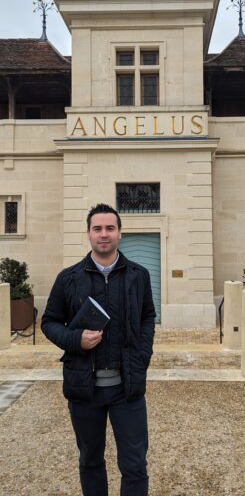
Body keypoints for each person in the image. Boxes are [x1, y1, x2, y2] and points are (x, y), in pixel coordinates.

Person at [41, 203, 156, 496]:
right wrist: (75, 340)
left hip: (127, 389)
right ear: (88, 234)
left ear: (120, 233)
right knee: (90, 461)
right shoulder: (69, 278)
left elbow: (147, 317)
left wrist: (142, 358)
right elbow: (49, 321)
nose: (104, 234)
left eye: (110, 228)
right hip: (84, 388)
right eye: (97, 229)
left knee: (134, 466)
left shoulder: (138, 275)